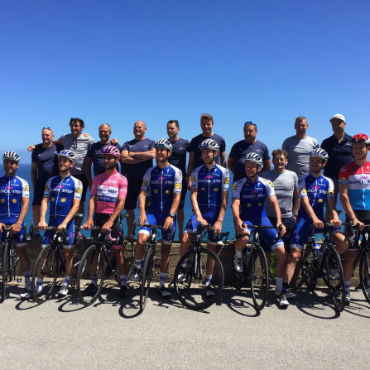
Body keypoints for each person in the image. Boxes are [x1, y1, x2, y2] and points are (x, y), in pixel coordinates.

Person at [286, 148, 348, 303]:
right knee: (294, 255)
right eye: (312, 160)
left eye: (317, 161)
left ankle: (328, 263)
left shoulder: (328, 182)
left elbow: (331, 203)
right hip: (304, 220)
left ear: (323, 163)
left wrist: (334, 217)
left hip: (319, 221)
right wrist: (314, 218)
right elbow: (305, 202)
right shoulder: (303, 179)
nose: (313, 163)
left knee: (335, 243)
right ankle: (285, 289)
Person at [231, 152, 288, 308]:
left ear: (259, 167)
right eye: (247, 165)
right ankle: (237, 257)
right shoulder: (239, 183)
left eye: (252, 166)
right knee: (243, 237)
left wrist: (279, 222)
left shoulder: (266, 183)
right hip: (247, 220)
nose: (248, 168)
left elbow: (274, 203)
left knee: (282, 253)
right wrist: (238, 220)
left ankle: (279, 289)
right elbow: (235, 204)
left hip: (263, 219)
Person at [130, 139, 182, 297]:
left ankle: (162, 285)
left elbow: (177, 196)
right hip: (152, 214)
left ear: (169, 153)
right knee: (140, 239)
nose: (159, 152)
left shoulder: (176, 172)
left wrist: (171, 215)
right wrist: (142, 213)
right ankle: (138, 267)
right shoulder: (150, 172)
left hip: (167, 215)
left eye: (163, 150)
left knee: (166, 251)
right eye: (157, 149)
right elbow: (142, 193)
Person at [180, 139, 229, 297]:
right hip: (199, 212)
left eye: (208, 151)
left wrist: (220, 220)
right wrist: (199, 215)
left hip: (215, 214)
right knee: (186, 237)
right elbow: (193, 195)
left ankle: (207, 282)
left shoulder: (223, 172)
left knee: (211, 247)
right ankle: (184, 265)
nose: (205, 154)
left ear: (215, 153)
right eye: (203, 151)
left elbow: (224, 199)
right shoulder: (196, 172)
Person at [28, 118, 95, 224]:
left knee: (79, 202)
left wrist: (113, 142)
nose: (74, 128)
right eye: (72, 125)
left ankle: (76, 229)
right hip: (64, 176)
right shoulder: (65, 137)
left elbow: (100, 145)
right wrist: (36, 145)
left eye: (76, 126)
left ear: (81, 128)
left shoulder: (89, 139)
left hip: (80, 175)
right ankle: (46, 228)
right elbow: (50, 141)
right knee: (50, 203)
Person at [82, 145, 129, 297]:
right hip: (99, 216)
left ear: (117, 159)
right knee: (96, 250)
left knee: (118, 251)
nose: (107, 160)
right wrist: (89, 218)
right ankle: (93, 284)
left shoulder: (122, 179)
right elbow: (92, 199)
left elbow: (121, 203)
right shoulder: (97, 178)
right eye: (105, 157)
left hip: (112, 218)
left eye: (110, 157)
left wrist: (111, 221)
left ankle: (123, 284)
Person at [35, 150, 83, 297]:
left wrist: (65, 222)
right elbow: (44, 200)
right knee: (43, 251)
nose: (61, 163)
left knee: (68, 253)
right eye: (60, 160)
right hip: (52, 221)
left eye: (65, 160)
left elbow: (76, 205)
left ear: (71, 164)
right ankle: (38, 283)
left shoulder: (77, 183)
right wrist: (42, 219)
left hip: (67, 223)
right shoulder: (51, 181)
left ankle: (66, 282)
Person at [262, 149, 300, 298]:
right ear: (273, 160)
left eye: (282, 159)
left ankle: (280, 287)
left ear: (286, 161)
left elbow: (297, 197)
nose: (279, 162)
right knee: (266, 252)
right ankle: (265, 282)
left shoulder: (293, 176)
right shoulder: (265, 176)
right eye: (276, 159)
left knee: (285, 254)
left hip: (287, 218)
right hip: (268, 219)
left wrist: (295, 214)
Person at [339, 133, 370, 305]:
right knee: (351, 255)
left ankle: (367, 283)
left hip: (369, 213)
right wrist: (352, 218)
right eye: (355, 148)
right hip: (355, 214)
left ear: (367, 148)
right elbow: (343, 196)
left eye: (361, 147)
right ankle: (346, 288)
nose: (357, 150)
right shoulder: (345, 169)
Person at [0, 151, 31, 298]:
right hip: (1, 221)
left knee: (22, 252)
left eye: (12, 162)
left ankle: (28, 283)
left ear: (17, 165)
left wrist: (19, 223)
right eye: (6, 162)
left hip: (16, 222)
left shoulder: (23, 183)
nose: (9, 165)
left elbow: (25, 204)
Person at [120, 120, 155, 236]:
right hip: (130, 180)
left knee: (146, 209)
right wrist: (143, 157)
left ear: (145, 129)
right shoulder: (127, 143)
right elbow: (124, 158)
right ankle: (130, 233)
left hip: (146, 182)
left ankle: (145, 232)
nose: (138, 129)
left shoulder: (151, 142)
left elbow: (153, 154)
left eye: (140, 127)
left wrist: (134, 155)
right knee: (129, 209)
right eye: (135, 127)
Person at [30, 127, 63, 237]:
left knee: (56, 206)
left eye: (47, 135)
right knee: (35, 206)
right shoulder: (36, 150)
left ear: (53, 136)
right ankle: (36, 230)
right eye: (43, 135)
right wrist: (34, 185)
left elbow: (70, 139)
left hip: (56, 182)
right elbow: (34, 170)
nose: (45, 137)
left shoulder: (59, 147)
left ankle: (56, 230)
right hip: (41, 181)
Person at [187, 113, 226, 187]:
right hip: (199, 176)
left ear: (212, 124)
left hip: (215, 176)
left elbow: (223, 161)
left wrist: (224, 178)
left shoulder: (220, 140)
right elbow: (191, 161)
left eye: (208, 124)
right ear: (200, 125)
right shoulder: (195, 140)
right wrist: (189, 179)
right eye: (203, 124)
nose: (206, 126)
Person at [321, 114, 353, 201]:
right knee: (329, 207)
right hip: (331, 179)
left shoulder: (352, 141)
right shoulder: (326, 142)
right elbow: (321, 160)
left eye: (338, 123)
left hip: (348, 179)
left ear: (344, 124)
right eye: (333, 124)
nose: (336, 126)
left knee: (350, 205)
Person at [167, 119, 190, 240]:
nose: (170, 130)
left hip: (181, 180)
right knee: (167, 207)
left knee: (180, 208)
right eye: (168, 128)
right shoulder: (164, 143)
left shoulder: (185, 143)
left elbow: (193, 158)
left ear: (178, 129)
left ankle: (181, 234)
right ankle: (168, 233)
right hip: (166, 180)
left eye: (172, 128)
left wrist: (191, 177)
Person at [84, 123, 121, 189]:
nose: (103, 133)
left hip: (113, 183)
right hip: (98, 183)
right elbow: (87, 165)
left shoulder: (116, 146)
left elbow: (123, 164)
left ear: (110, 133)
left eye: (105, 131)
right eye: (101, 131)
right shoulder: (93, 147)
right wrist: (90, 182)